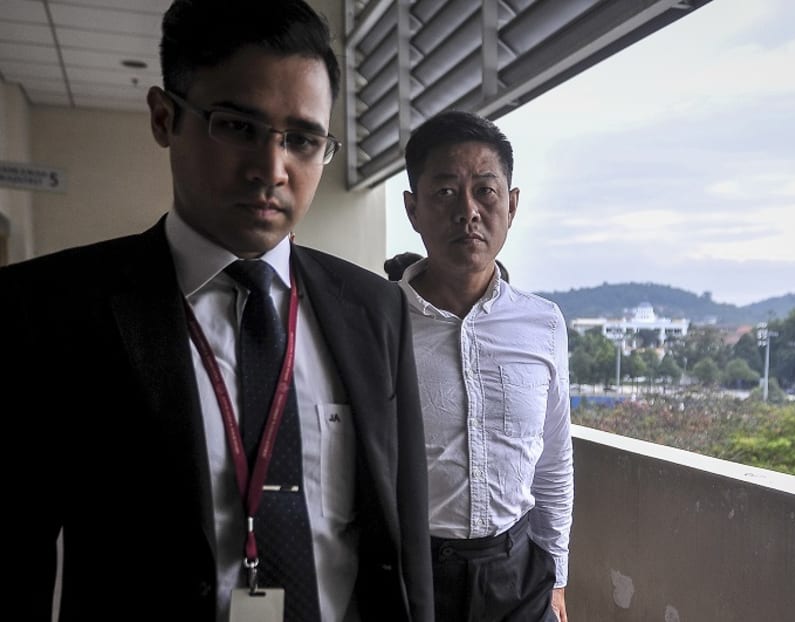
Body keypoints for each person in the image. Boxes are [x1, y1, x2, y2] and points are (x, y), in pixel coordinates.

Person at [1, 1, 433, 621]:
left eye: (304, 140)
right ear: (163, 117)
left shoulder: (375, 308)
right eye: (237, 126)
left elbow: (403, 537)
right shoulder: (49, 312)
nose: (272, 169)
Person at [397, 110, 574, 622]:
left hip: (518, 572)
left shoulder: (543, 323)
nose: (468, 211)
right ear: (413, 209)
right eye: (446, 192)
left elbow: (553, 460)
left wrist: (556, 578)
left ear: (511, 205)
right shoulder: (379, 321)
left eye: (485, 191)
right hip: (415, 575)